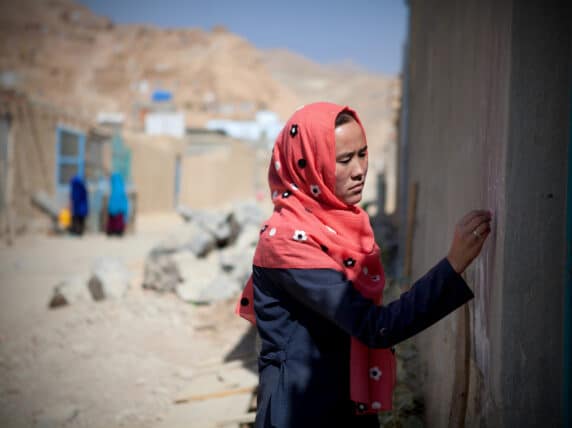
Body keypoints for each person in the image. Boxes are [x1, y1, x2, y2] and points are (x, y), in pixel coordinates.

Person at [236, 102, 492, 428]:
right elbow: (375, 327)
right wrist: (452, 266)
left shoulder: (337, 227)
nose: (359, 170)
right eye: (344, 160)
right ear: (308, 165)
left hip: (342, 404)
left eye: (363, 153)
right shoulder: (288, 243)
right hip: (303, 412)